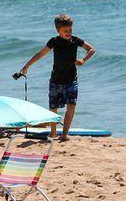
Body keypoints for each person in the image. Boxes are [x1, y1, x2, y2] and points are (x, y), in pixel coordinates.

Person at [15, 14, 95, 142]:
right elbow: (40, 54)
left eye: (70, 30)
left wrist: (83, 60)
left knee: (71, 106)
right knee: (53, 108)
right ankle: (53, 133)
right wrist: (27, 66)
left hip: (71, 80)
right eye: (65, 31)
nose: (69, 33)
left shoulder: (75, 40)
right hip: (55, 80)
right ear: (58, 30)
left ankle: (64, 134)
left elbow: (91, 49)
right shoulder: (54, 42)